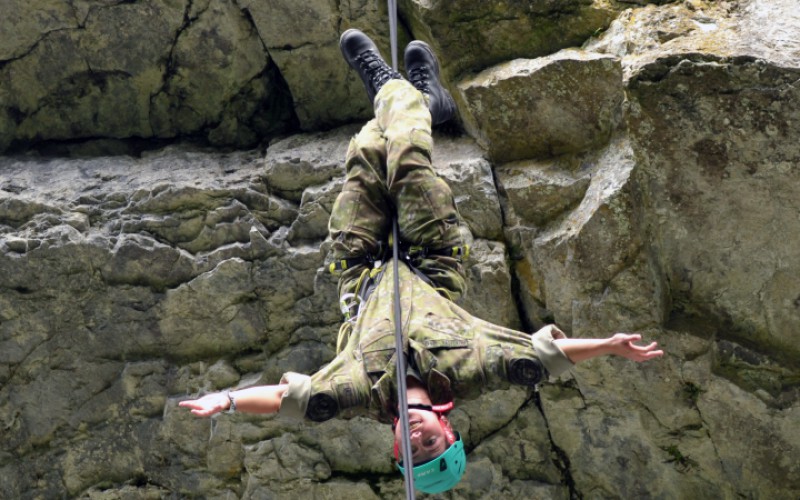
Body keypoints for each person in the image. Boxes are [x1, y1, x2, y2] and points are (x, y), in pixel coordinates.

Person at [179, 28, 664, 494]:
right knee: (408, 158)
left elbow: (293, 402)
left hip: (360, 265)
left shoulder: (356, 393)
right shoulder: (471, 371)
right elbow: (542, 360)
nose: (416, 437)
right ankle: (393, 88)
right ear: (448, 430)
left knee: (367, 150)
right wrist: (608, 346)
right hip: (433, 254)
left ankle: (420, 102)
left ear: (393, 447)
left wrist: (225, 400)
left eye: (409, 451)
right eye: (430, 443)